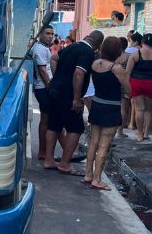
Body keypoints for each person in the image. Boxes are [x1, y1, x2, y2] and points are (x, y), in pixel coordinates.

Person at [43, 30, 104, 176]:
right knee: (76, 128)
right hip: (68, 95)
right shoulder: (88, 52)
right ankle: (64, 164)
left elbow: (53, 58)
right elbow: (79, 73)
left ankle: (49, 159)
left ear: (87, 36)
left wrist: (58, 77)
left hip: (55, 90)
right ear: (98, 45)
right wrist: (76, 99)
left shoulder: (72, 46)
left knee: (54, 125)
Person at [85, 37, 132, 190]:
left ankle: (88, 174)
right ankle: (97, 179)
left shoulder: (94, 64)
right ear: (117, 51)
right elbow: (128, 89)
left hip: (97, 104)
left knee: (93, 142)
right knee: (104, 145)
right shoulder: (116, 68)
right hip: (111, 108)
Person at [126, 33, 152, 142]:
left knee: (139, 109)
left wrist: (127, 87)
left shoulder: (135, 54)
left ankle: (140, 134)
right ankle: (147, 133)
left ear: (142, 42)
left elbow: (128, 72)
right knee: (148, 109)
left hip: (136, 82)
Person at [31, 25, 54, 161]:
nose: (50, 36)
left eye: (52, 34)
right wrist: (50, 87)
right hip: (43, 88)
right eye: (47, 33)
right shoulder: (40, 49)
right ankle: (42, 151)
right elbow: (43, 70)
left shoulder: (44, 48)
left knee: (48, 119)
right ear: (40, 35)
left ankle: (45, 151)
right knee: (45, 120)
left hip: (44, 87)